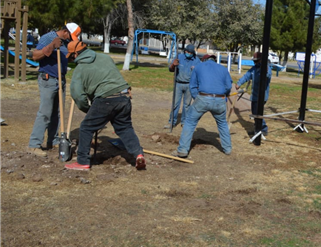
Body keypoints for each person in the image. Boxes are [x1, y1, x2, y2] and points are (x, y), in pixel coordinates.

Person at [64, 41, 145, 171]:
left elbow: (78, 95)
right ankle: (138, 154)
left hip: (106, 98)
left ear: (75, 54)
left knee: (86, 127)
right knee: (125, 128)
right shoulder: (105, 57)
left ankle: (82, 161)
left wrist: (88, 110)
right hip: (124, 95)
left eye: (71, 56)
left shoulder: (80, 69)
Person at [27, 23, 81, 157]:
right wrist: (51, 46)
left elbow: (68, 58)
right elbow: (35, 56)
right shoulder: (48, 38)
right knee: (45, 112)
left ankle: (54, 140)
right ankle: (34, 144)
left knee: (58, 112)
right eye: (71, 36)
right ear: (65, 31)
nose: (71, 39)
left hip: (60, 79)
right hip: (48, 79)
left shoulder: (66, 42)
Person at [173, 54, 233, 158]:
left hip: (203, 97)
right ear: (214, 60)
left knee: (190, 122)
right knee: (222, 123)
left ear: (203, 60)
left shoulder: (198, 67)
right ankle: (227, 149)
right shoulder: (223, 69)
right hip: (220, 99)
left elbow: (193, 85)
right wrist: (223, 95)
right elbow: (228, 86)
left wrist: (197, 97)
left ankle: (183, 150)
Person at [164, 44, 201, 129]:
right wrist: (173, 64)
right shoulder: (178, 57)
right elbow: (170, 69)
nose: (188, 53)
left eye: (190, 52)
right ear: (185, 51)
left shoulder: (197, 61)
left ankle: (184, 122)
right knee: (175, 104)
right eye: (187, 52)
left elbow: (199, 74)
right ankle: (171, 122)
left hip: (189, 85)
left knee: (187, 105)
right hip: (178, 84)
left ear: (193, 53)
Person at [235, 51, 272, 136]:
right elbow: (246, 76)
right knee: (255, 112)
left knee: (258, 113)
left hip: (262, 96)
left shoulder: (266, 68)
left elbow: (268, 75)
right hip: (254, 96)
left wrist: (265, 70)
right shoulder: (254, 69)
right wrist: (239, 83)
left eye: (256, 61)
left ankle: (263, 129)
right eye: (254, 61)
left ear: (261, 60)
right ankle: (257, 129)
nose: (255, 62)